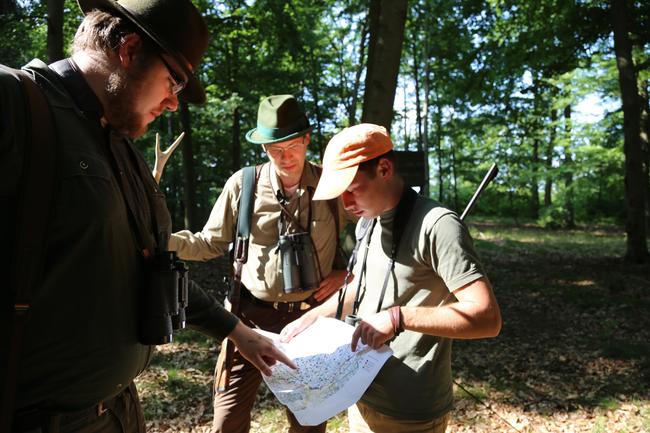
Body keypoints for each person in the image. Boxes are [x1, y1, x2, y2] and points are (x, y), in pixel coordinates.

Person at [0, 1, 294, 432]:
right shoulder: (14, 105)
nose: (174, 103)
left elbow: (150, 266)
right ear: (130, 49)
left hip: (119, 412)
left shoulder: (117, 145)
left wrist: (238, 332)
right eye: (173, 81)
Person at [280, 123, 502, 433]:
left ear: (384, 168)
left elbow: (487, 318)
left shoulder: (438, 226)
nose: (346, 205)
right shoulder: (368, 222)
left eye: (352, 190)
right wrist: (315, 317)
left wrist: (399, 317)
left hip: (409, 410)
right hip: (362, 392)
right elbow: (364, 284)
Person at [169, 94, 352, 433]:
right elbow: (209, 242)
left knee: (309, 422)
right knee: (228, 421)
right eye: (274, 149)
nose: (285, 157)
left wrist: (348, 274)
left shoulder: (332, 185)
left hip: (311, 320)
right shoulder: (244, 184)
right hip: (248, 319)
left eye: (293, 146)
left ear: (307, 139)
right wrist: (161, 239)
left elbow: (373, 233)